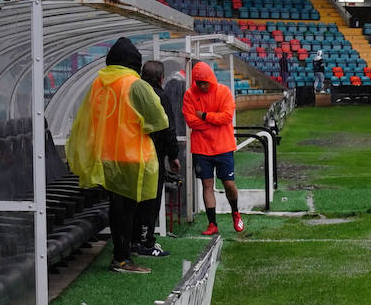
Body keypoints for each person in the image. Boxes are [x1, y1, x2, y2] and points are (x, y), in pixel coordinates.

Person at [65, 37, 167, 274]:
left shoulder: (98, 83)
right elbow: (159, 120)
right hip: (131, 156)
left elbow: (88, 120)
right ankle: (122, 258)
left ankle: (123, 254)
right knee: (128, 207)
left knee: (117, 206)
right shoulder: (135, 84)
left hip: (107, 155)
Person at [182, 61, 243, 235]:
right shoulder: (189, 95)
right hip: (202, 148)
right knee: (206, 184)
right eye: (198, 83)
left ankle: (235, 212)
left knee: (228, 183)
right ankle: (212, 224)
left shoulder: (223, 91)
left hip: (223, 146)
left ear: (210, 79)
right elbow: (190, 120)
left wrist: (205, 116)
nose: (201, 86)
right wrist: (213, 122)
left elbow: (227, 117)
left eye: (204, 82)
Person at [133, 60, 181, 257]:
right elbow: (168, 128)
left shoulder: (132, 94)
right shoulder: (160, 97)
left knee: (134, 201)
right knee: (150, 201)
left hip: (130, 156)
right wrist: (174, 156)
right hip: (153, 158)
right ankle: (146, 242)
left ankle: (134, 240)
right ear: (161, 78)